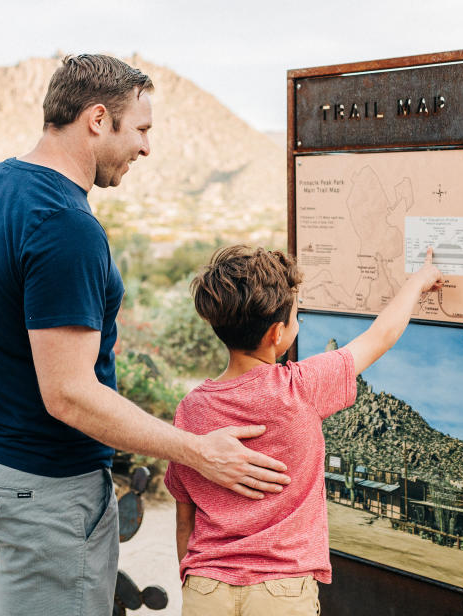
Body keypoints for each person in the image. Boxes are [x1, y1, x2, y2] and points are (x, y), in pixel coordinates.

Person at [0, 54, 291, 615]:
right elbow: (69, 394)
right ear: (98, 119)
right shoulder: (65, 226)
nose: (147, 148)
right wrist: (199, 451)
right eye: (142, 129)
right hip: (43, 487)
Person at [165, 245, 442, 615]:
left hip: (205, 588)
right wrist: (419, 281)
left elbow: (185, 518)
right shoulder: (301, 388)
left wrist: (193, 580)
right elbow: (380, 336)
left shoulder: (191, 409)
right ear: (277, 334)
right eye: (296, 316)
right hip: (280, 591)